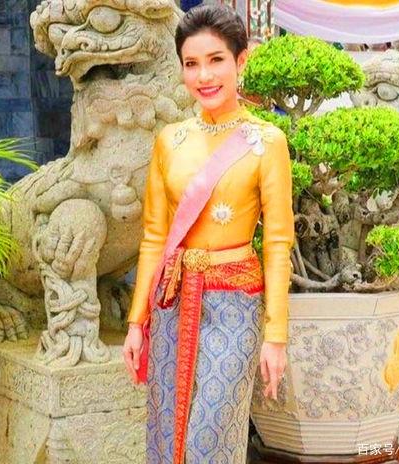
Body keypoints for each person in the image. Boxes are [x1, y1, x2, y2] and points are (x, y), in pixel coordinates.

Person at [123, 4, 295, 463]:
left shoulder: (267, 142)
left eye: (216, 59)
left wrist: (276, 335)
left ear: (241, 61)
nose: (204, 75)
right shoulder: (169, 140)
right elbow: (154, 237)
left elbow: (278, 243)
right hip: (172, 299)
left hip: (234, 303)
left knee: (210, 436)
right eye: (192, 63)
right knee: (167, 432)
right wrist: (137, 322)